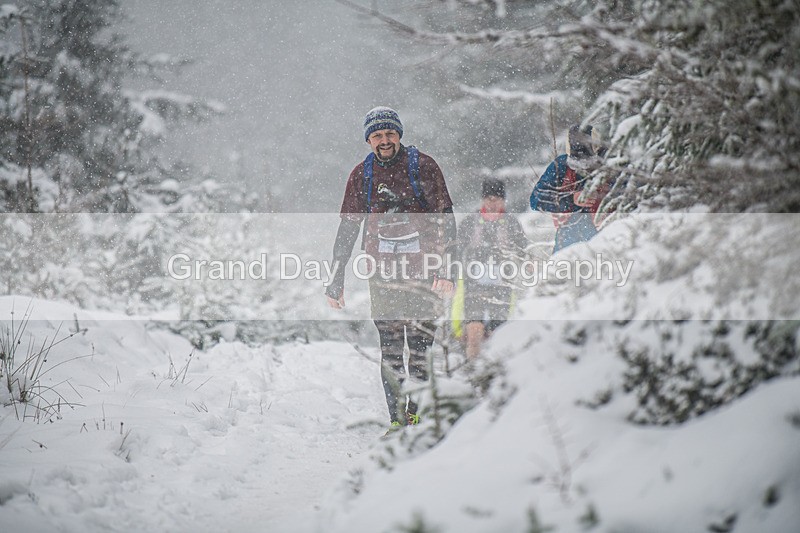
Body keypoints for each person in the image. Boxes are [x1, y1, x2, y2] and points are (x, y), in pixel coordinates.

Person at [325, 107, 457, 429]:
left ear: (399, 134)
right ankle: (398, 420)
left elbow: (446, 219)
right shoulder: (362, 175)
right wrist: (336, 277)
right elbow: (348, 229)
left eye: (389, 134)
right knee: (392, 350)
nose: (384, 141)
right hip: (383, 275)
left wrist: (448, 269)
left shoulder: (423, 167)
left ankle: (418, 416)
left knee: (422, 346)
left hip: (424, 270)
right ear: (369, 140)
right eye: (377, 136)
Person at [456, 178, 528, 361]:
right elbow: (455, 249)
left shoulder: (511, 223)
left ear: (503, 200)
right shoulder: (470, 222)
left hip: (502, 284)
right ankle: (472, 368)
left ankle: (494, 373)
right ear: (482, 199)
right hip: (474, 283)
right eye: (488, 199)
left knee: (498, 333)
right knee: (474, 329)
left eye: (497, 199)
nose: (492, 203)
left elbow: (523, 251)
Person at [530, 124, 609, 253]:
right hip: (568, 237)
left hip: (604, 236)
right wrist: (570, 199)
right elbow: (536, 200)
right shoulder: (560, 166)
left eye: (588, 163)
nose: (582, 168)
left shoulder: (611, 166)